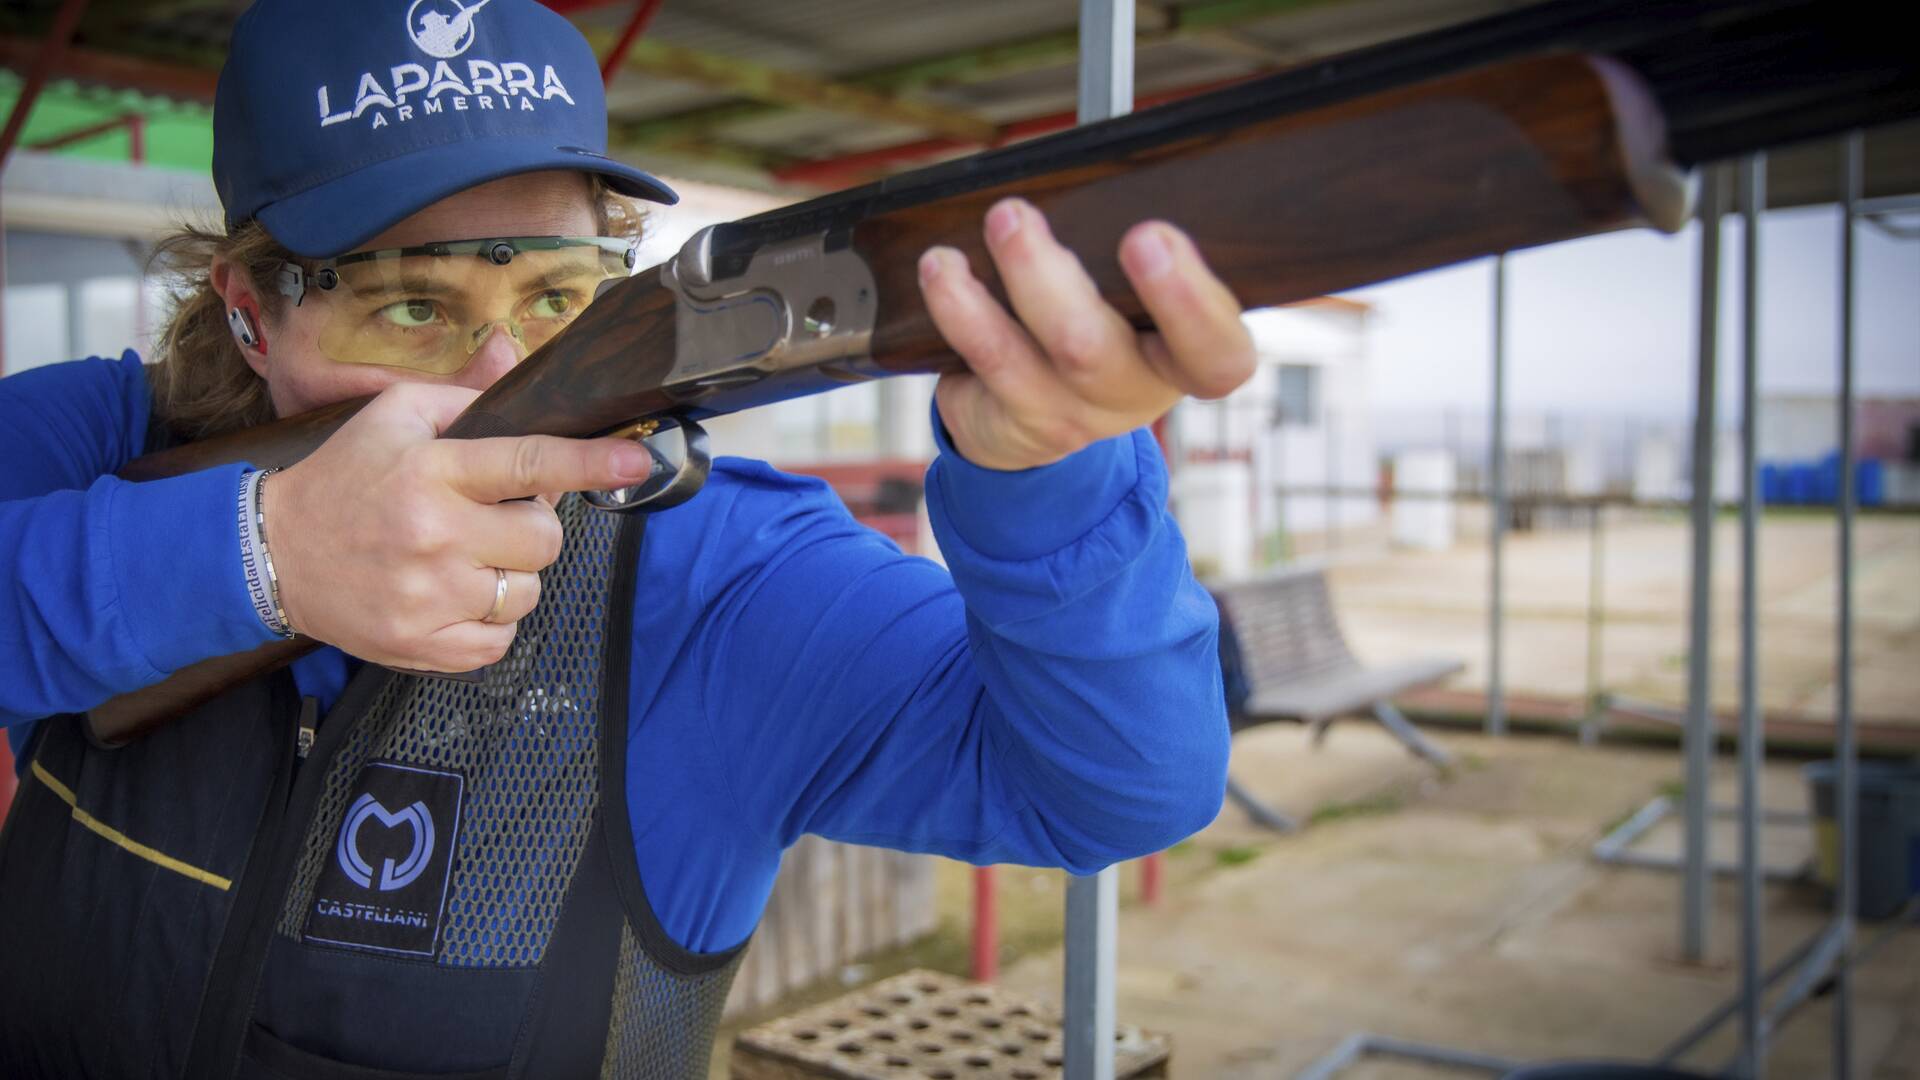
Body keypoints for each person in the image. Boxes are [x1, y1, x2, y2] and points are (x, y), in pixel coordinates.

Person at [0, 0, 1253, 1075]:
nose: (498, 379)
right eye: (411, 308)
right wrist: (252, 555)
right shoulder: (101, 443)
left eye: (556, 300)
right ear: (251, 314)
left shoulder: (717, 570)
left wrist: (1050, 471)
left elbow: (1118, 787)